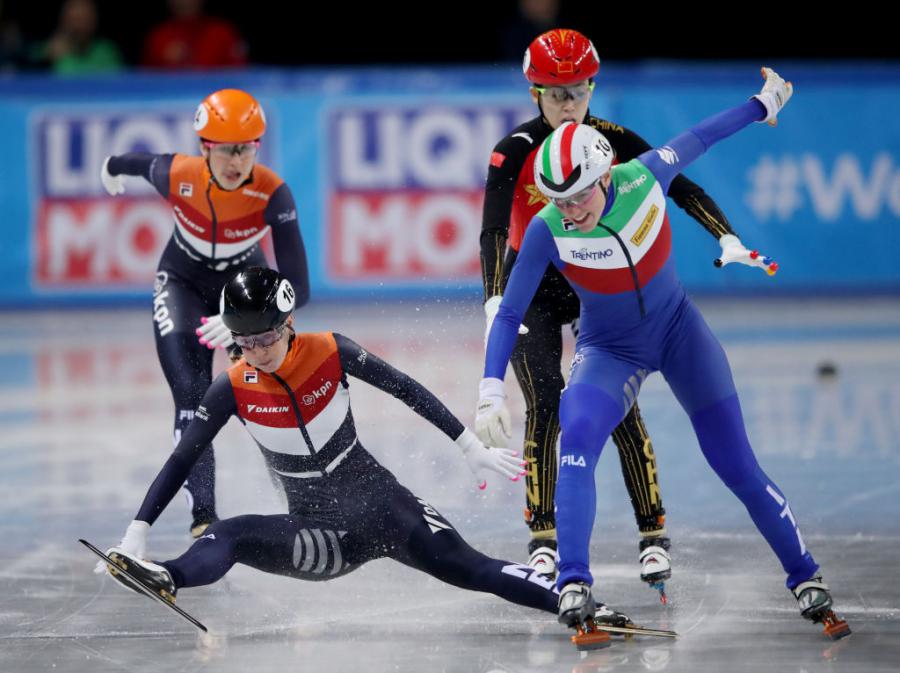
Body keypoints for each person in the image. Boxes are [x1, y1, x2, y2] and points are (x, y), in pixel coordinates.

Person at [476, 68, 851, 640]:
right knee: (575, 437)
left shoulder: (644, 177)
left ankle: (805, 575)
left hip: (679, 333)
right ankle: (574, 580)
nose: (568, 211)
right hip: (609, 349)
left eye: (577, 197)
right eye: (556, 200)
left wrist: (763, 103)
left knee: (735, 466)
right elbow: (508, 312)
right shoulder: (550, 228)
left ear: (604, 176)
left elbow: (704, 135)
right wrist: (488, 389)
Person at [97, 267, 632, 646]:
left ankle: (579, 600)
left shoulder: (330, 349)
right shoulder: (231, 387)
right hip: (322, 537)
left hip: (386, 508)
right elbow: (182, 460)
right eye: (243, 342)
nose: (256, 351)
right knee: (230, 535)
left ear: (287, 324)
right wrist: (137, 531)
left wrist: (469, 447)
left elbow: (406, 388)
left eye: (265, 338)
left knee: (474, 568)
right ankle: (166, 576)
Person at [478, 28, 773, 586]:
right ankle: (544, 538)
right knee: (546, 401)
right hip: (537, 285)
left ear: (593, 88)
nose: (569, 106)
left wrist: (725, 236)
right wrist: (497, 296)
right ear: (533, 92)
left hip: (597, 287)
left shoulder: (610, 142)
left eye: (579, 92)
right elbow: (494, 228)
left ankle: (653, 531)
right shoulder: (514, 150)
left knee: (618, 407)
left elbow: (678, 184)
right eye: (556, 93)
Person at [100, 89, 310, 538]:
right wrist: (111, 166)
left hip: (243, 289)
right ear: (205, 149)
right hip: (181, 283)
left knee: (266, 396)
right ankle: (204, 516)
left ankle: (303, 502)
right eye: (228, 150)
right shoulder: (179, 174)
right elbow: (138, 162)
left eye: (249, 148)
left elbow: (299, 288)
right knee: (191, 394)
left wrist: (246, 316)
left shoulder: (272, 192)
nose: (239, 161)